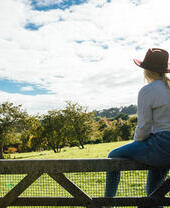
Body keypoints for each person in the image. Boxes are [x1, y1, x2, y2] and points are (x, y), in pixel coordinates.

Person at [104, 48, 170, 208]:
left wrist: (137, 143)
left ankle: (107, 203)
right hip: (166, 149)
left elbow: (144, 126)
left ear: (146, 70)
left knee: (113, 155)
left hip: (161, 145)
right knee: (154, 194)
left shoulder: (148, 90)